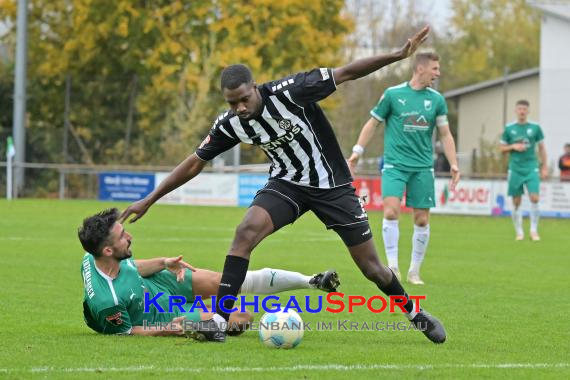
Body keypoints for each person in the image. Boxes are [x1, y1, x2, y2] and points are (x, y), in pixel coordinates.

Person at [121, 26, 447, 344]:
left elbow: (346, 72)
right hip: (287, 183)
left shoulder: (293, 91)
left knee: (373, 269)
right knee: (245, 232)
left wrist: (399, 54)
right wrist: (150, 199)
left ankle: (414, 313)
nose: (240, 108)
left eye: (244, 99)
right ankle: (219, 321)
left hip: (332, 185)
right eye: (232, 103)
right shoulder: (231, 123)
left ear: (255, 88)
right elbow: (195, 162)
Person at [79, 208, 340, 339]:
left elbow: (131, 267)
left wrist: (164, 262)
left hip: (159, 283)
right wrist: (166, 329)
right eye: (123, 237)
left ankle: (311, 281)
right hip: (164, 314)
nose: (130, 236)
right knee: (242, 317)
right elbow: (129, 332)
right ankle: (204, 321)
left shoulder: (92, 258)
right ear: (108, 250)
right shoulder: (108, 303)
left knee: (225, 282)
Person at [347, 52, 460, 286]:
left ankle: (414, 271)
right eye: (435, 69)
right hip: (394, 165)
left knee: (421, 219)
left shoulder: (436, 100)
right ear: (420, 69)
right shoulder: (393, 95)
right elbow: (373, 123)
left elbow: (445, 134)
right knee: (390, 212)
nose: (438, 74)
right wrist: (357, 150)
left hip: (422, 168)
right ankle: (393, 267)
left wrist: (454, 163)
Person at [499, 100, 548, 241]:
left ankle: (533, 230)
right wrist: (513, 146)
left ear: (528, 111)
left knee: (535, 197)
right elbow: (501, 148)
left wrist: (544, 167)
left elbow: (542, 148)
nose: (522, 111)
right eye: (520, 109)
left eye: (524, 109)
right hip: (515, 169)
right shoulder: (509, 128)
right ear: (516, 110)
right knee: (516, 201)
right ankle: (519, 232)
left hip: (532, 167)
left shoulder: (535, 127)